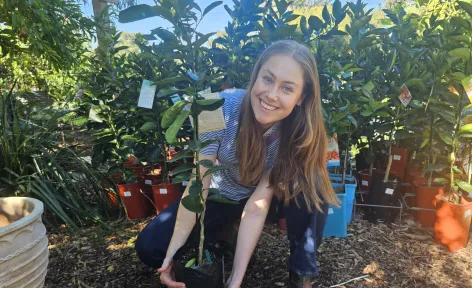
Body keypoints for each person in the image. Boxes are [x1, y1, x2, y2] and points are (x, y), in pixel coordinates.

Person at [135, 40, 339, 288]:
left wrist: (235, 281)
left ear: (301, 97)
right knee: (150, 248)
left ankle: (301, 271)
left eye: (287, 88)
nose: (271, 95)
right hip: (223, 194)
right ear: (256, 76)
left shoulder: (296, 134)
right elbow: (198, 186)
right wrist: (171, 256)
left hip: (271, 199)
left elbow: (257, 207)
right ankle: (222, 237)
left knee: (312, 183)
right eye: (267, 79)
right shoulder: (216, 107)